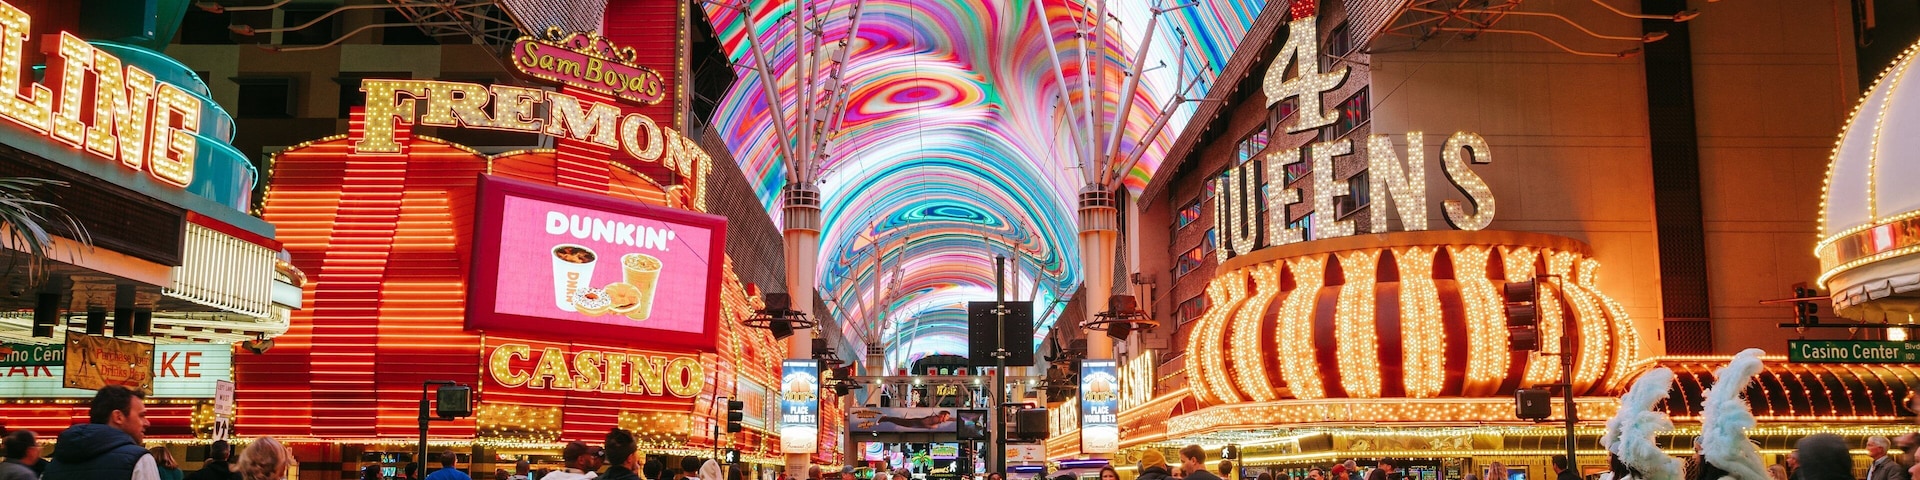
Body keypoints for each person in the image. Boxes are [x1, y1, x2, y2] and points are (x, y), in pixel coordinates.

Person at [43, 385, 160, 480]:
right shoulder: (139, 460)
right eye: (141, 415)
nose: (147, 423)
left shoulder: (55, 464)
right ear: (118, 417)